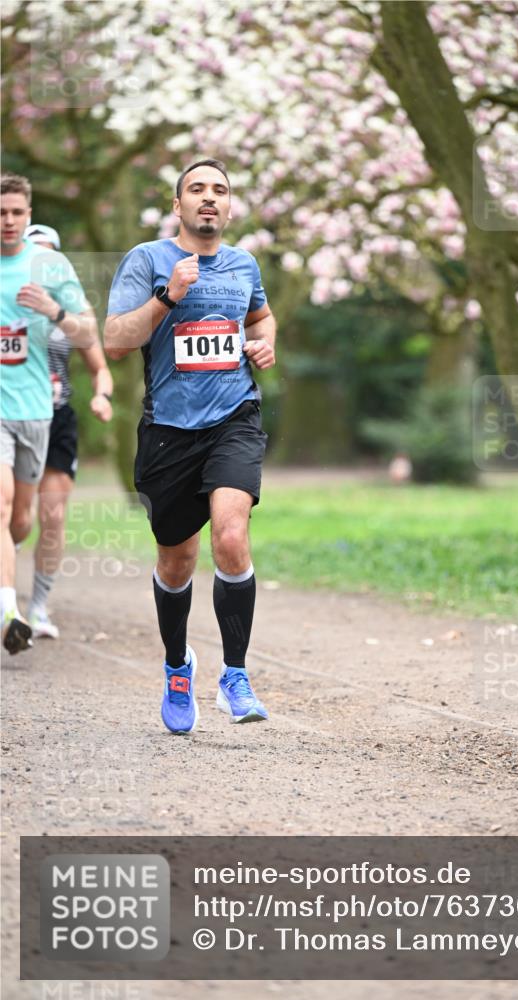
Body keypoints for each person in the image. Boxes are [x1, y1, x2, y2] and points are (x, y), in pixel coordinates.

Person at [104, 159, 276, 734]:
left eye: (220, 191)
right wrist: (168, 298)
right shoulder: (148, 260)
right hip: (168, 432)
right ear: (177, 206)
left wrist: (263, 345)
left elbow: (262, 317)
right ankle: (178, 666)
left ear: (230, 208)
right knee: (176, 562)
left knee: (231, 532)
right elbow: (116, 342)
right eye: (197, 190)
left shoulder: (244, 264)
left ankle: (235, 675)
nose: (209, 199)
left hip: (235, 417)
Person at [1, 173, 97, 654]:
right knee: (1, 508)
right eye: (2, 213)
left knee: (29, 520)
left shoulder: (52, 272)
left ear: (30, 216)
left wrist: (55, 312)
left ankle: (27, 595)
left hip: (43, 414)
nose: (9, 222)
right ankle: (8, 612)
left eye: (17, 213)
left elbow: (89, 339)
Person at [24, 223, 114, 639]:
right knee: (18, 521)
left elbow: (100, 368)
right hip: (14, 417)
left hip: (58, 419)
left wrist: (102, 396)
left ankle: (39, 608)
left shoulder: (71, 317)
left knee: (53, 515)